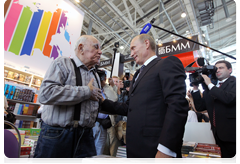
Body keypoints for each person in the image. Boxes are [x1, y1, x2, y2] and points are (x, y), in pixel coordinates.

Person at [100, 34, 189, 163]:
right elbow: (129, 107)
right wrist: (102, 103)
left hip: (156, 148)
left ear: (146, 44)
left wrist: (166, 149)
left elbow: (177, 106)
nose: (131, 53)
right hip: (136, 148)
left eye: (133, 48)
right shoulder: (138, 74)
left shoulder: (166, 63)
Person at [32, 35, 103, 163]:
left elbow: (98, 101)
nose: (100, 51)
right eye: (96, 47)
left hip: (85, 136)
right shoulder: (62, 63)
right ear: (81, 48)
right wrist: (86, 91)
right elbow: (46, 93)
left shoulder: (94, 75)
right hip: (58, 135)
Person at [190, 60, 238, 163]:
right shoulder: (212, 88)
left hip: (234, 134)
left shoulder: (234, 82)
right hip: (219, 134)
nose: (218, 70)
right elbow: (200, 107)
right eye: (216, 68)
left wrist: (210, 84)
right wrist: (195, 88)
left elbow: (228, 98)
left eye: (221, 68)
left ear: (230, 70)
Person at [92, 69, 118, 155]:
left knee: (100, 152)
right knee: (89, 150)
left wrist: (105, 85)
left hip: (103, 124)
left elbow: (114, 99)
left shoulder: (106, 88)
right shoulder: (90, 86)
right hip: (92, 123)